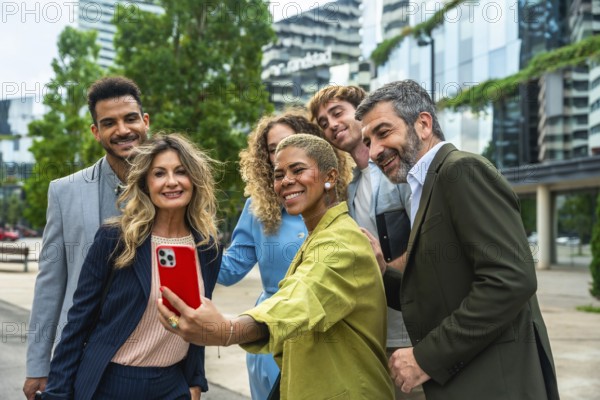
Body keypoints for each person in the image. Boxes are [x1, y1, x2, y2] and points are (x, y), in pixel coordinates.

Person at [356, 79, 560, 400]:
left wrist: (426, 357)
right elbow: (435, 290)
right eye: (368, 142)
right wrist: (381, 272)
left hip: (495, 384)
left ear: (423, 124)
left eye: (383, 132)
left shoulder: (461, 170)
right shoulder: (421, 189)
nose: (374, 151)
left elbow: (510, 279)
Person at [158, 134, 394, 399]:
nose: (286, 181)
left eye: (298, 170)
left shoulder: (342, 241)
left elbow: (302, 300)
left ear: (331, 177)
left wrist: (227, 330)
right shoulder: (316, 235)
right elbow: (232, 269)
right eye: (279, 174)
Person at [41, 134, 221, 399]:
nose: (171, 182)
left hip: (173, 385)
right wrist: (56, 394)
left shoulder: (208, 246)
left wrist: (194, 380)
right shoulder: (115, 239)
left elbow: (196, 320)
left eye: (181, 172)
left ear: (194, 180)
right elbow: (77, 323)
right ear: (146, 184)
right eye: (159, 173)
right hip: (112, 382)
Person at [24, 76, 150, 400]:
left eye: (130, 118)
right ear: (96, 132)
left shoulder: (173, 186)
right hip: (79, 356)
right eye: (109, 122)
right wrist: (38, 365)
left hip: (152, 358)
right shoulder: (63, 191)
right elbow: (50, 283)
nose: (122, 130)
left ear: (145, 121)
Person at [217, 110, 351, 399]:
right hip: (269, 335)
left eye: (290, 142)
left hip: (327, 334)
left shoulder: (343, 200)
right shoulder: (256, 208)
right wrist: (186, 237)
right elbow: (229, 270)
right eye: (272, 149)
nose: (281, 153)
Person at [308, 86, 420, 399]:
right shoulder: (352, 189)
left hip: (412, 333)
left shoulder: (399, 172)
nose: (330, 124)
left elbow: (424, 245)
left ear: (362, 114)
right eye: (322, 122)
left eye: (337, 112)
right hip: (374, 331)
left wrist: (384, 268)